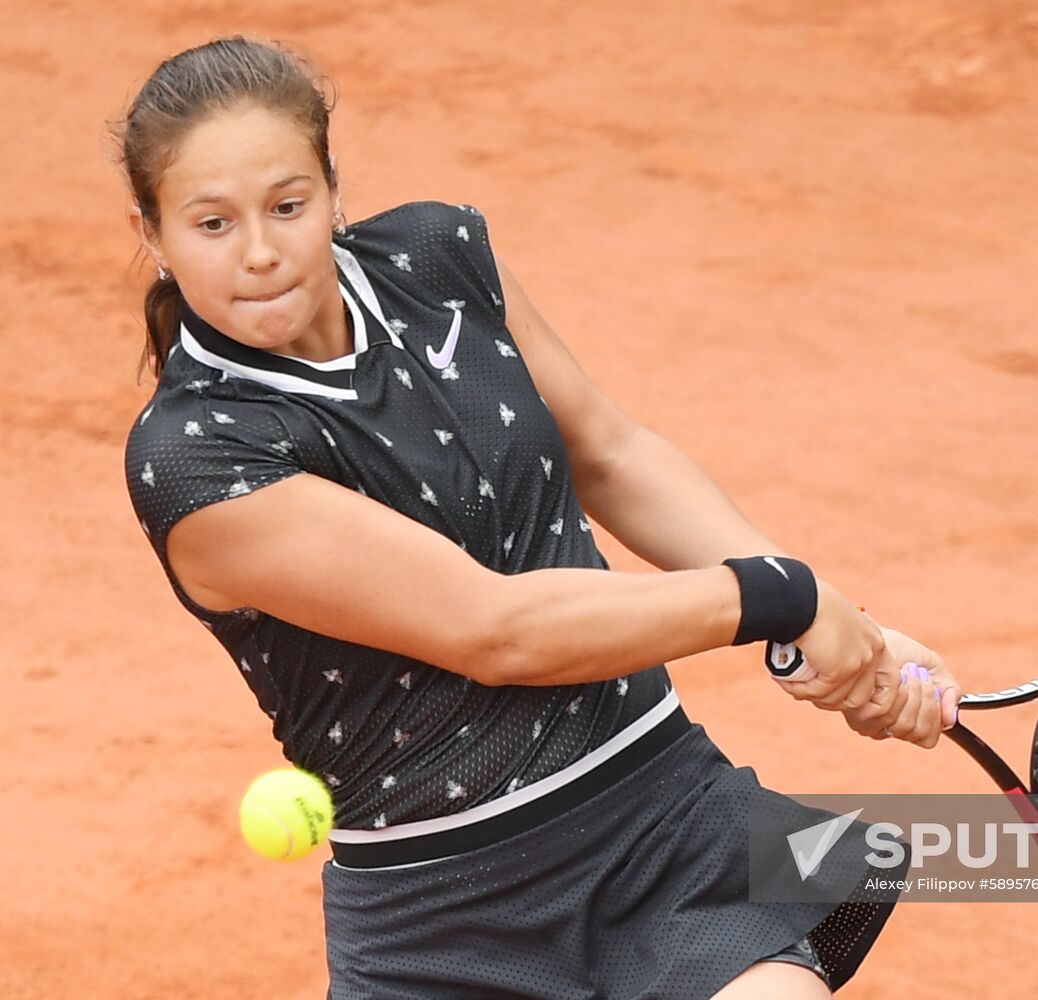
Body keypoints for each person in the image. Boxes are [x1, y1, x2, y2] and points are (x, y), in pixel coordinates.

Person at [116, 35, 961, 1000]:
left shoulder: (439, 259)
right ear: (153, 234)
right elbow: (497, 629)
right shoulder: (195, 457)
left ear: (333, 187)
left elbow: (610, 451)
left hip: (664, 829)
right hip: (443, 925)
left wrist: (835, 628)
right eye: (212, 224)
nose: (260, 252)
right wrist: (783, 597)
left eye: (288, 206)